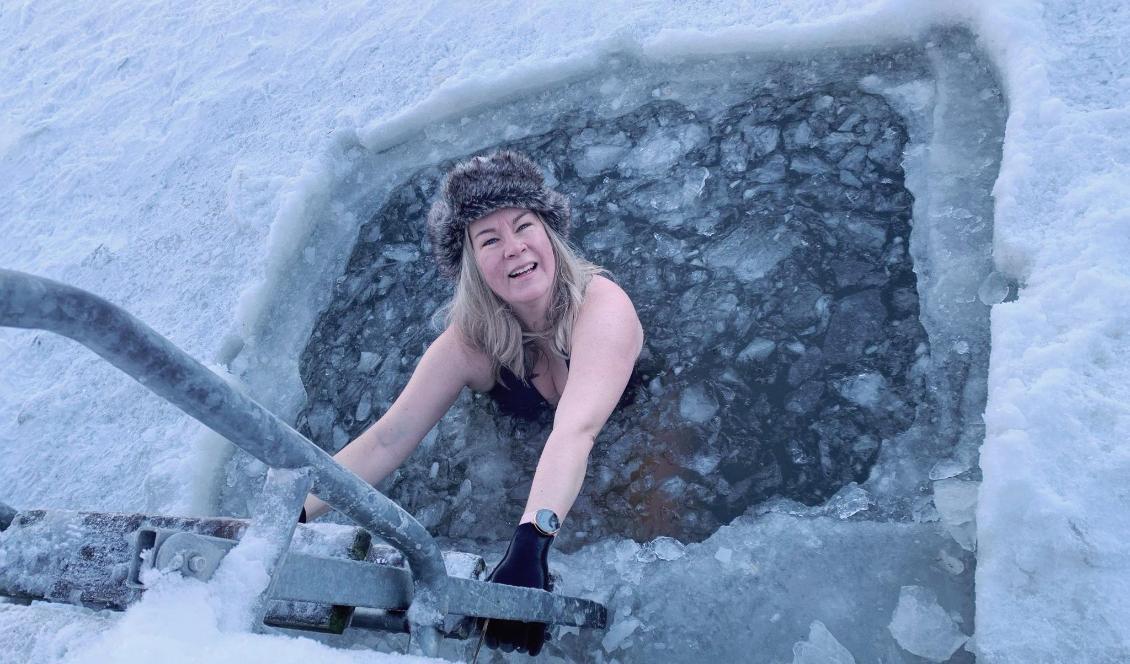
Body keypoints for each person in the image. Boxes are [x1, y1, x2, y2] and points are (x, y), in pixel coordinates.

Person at [300, 150, 644, 656]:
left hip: (637, 428)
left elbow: (575, 431)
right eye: (489, 239)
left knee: (649, 526)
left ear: (550, 232)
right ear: (470, 265)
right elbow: (387, 438)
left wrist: (529, 545)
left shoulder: (602, 305)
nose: (514, 248)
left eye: (524, 225)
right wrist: (297, 513)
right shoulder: (470, 343)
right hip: (537, 455)